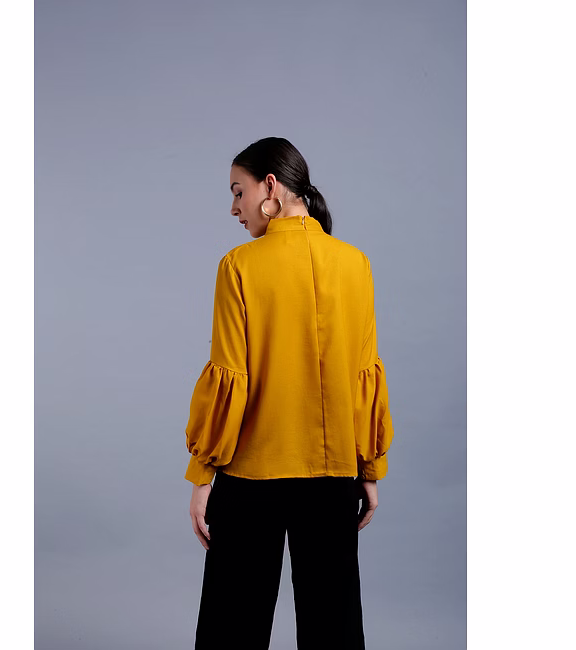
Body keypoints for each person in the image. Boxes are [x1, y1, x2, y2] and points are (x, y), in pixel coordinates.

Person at [184, 137, 395, 650]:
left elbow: (230, 377)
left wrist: (202, 473)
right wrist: (369, 468)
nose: (234, 208)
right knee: (334, 630)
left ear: (271, 186)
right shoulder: (356, 263)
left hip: (250, 475)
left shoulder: (238, 265)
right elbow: (363, 378)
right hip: (333, 476)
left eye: (238, 191)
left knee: (231, 631)